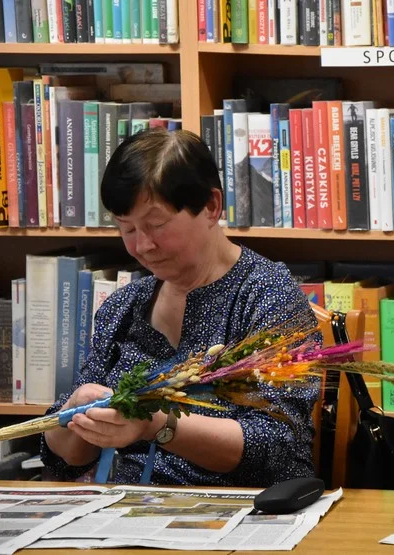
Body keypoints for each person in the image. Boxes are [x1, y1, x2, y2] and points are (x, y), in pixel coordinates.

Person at [41, 127, 321, 487]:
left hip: (243, 512)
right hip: (127, 510)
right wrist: (77, 411)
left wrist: (156, 424)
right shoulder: (124, 307)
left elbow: (278, 448)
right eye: (126, 229)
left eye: (156, 225)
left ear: (211, 207)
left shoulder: (267, 295)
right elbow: (65, 461)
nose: (143, 246)